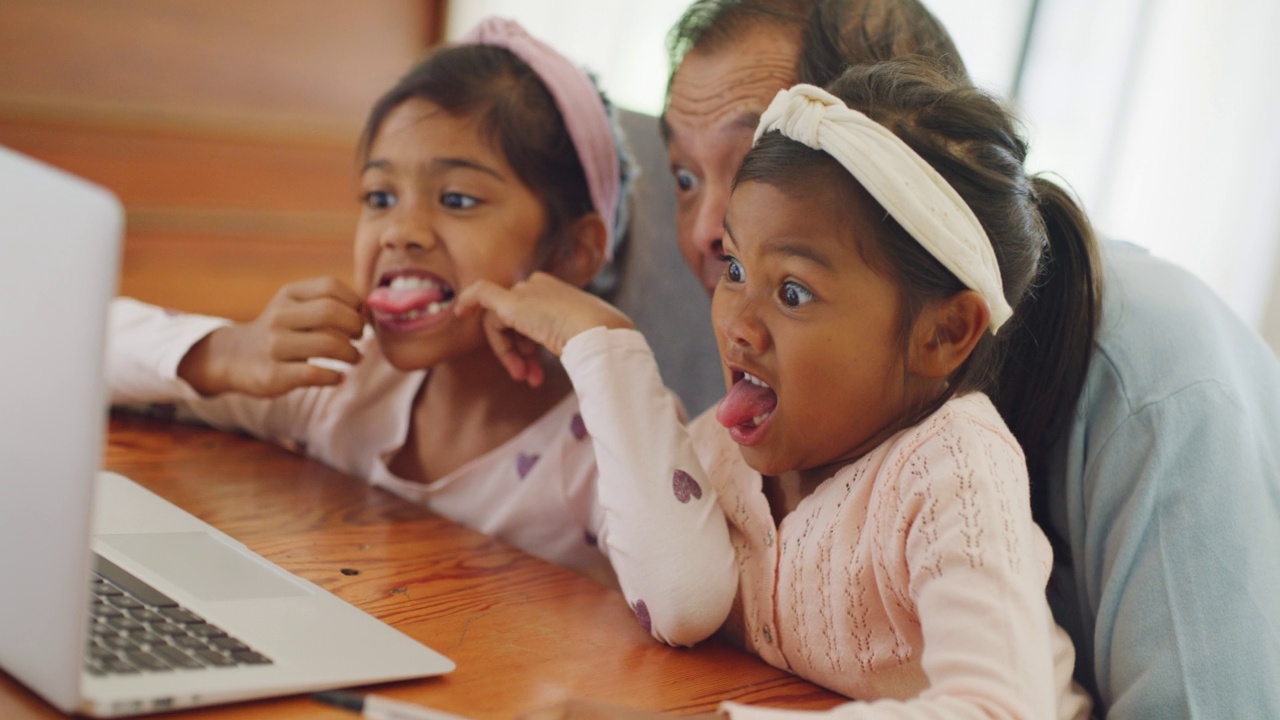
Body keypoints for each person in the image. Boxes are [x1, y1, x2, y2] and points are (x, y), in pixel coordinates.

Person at [653, 1, 1280, 717]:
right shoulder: (804, 382)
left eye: (756, 159)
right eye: (683, 178)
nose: (706, 229)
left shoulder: (1149, 378)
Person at [461, 58, 1095, 718]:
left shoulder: (955, 471)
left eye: (792, 292)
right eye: (735, 267)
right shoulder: (728, 449)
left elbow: (998, 712)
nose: (735, 322)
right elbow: (678, 601)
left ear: (943, 334)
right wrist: (603, 347)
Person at [104, 16, 736, 644]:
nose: (399, 230)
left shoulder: (603, 443)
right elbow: (76, 351)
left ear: (571, 252)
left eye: (457, 199)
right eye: (380, 197)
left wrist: (604, 342)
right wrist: (224, 353)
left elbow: (687, 602)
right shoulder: (335, 379)